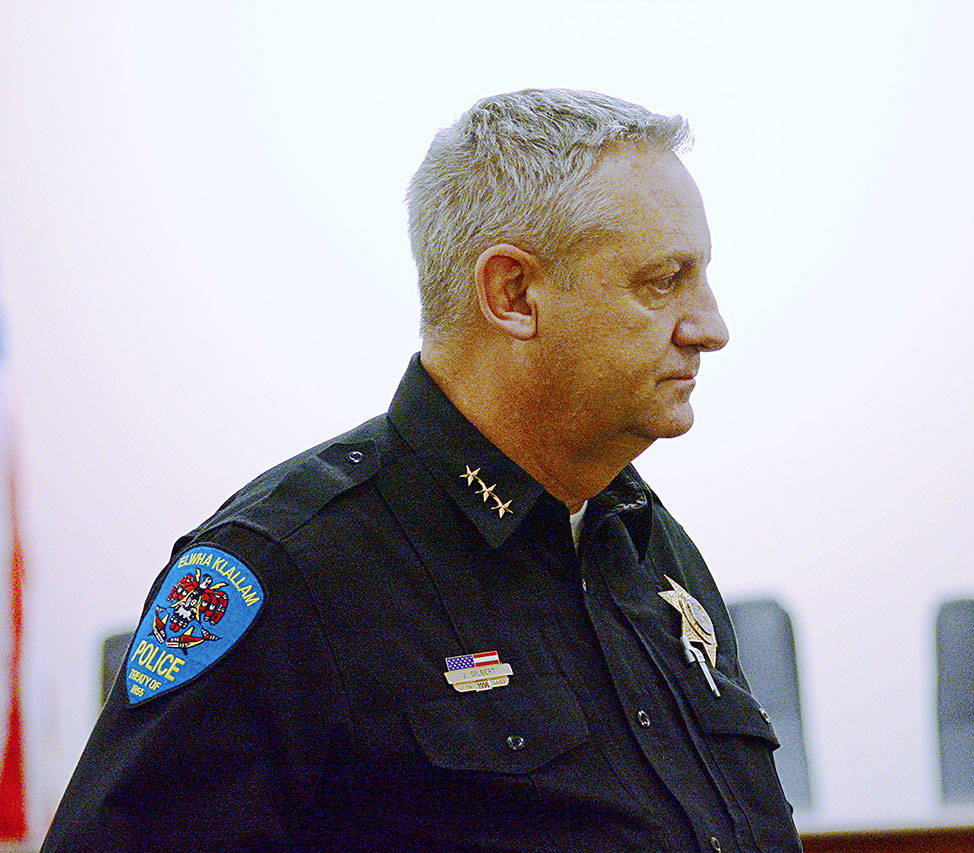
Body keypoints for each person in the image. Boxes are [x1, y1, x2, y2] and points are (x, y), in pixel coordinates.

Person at [42, 89, 801, 851]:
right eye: (663, 280)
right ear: (514, 294)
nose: (711, 326)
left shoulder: (640, 537)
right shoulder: (287, 571)